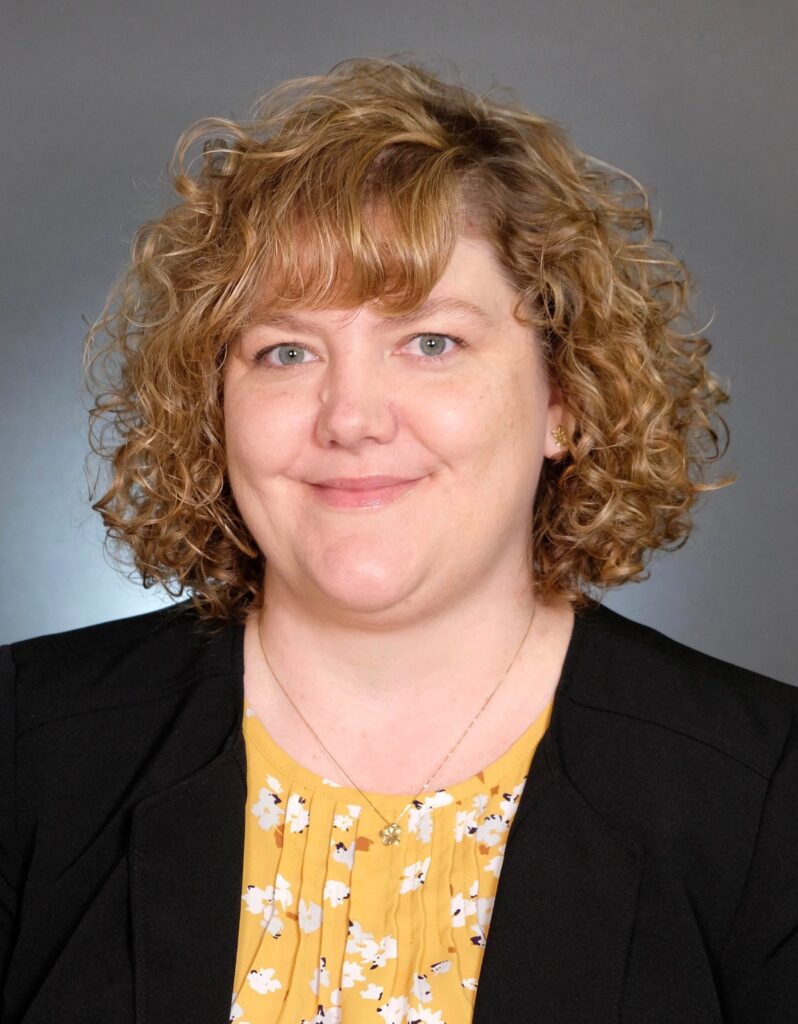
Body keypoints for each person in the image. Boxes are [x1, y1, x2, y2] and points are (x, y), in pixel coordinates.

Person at [1, 56, 795, 1024]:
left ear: (566, 397)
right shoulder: (23, 751)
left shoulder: (766, 794)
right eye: (285, 351)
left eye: (430, 342)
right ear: (214, 404)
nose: (352, 417)